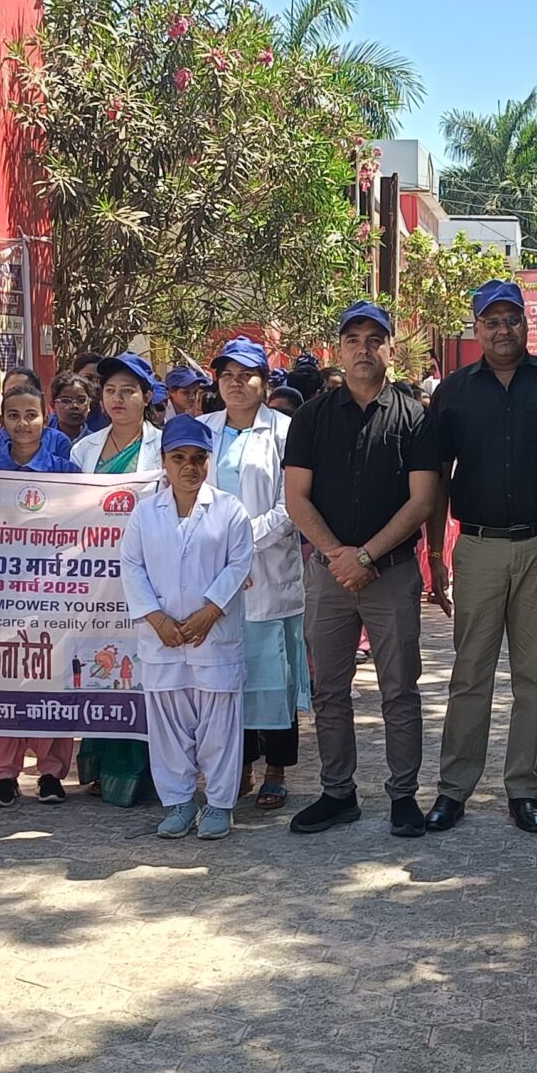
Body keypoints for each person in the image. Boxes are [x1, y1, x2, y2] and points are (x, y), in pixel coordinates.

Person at [418, 280, 537, 835]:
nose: (503, 330)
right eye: (492, 321)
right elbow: (437, 479)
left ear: (527, 323)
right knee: (469, 674)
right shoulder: (454, 393)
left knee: (532, 677)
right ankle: (454, 788)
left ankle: (523, 789)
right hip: (477, 548)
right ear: (477, 328)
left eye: (512, 319)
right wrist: (436, 552)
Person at [281, 301, 440, 837]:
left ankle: (403, 795)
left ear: (391, 349)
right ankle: (337, 792)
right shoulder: (311, 417)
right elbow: (297, 499)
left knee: (400, 689)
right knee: (329, 688)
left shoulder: (415, 417)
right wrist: (338, 557)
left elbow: (422, 501)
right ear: (339, 350)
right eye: (353, 339)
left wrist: (366, 556)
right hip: (329, 574)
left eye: (375, 339)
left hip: (391, 574)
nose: (364, 349)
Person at [123, 414, 256, 841]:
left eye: (198, 458)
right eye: (178, 457)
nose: (189, 467)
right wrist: (156, 618)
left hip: (213, 636)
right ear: (164, 461)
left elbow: (240, 562)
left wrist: (210, 611)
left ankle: (219, 804)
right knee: (168, 727)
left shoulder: (230, 510)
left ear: (208, 461)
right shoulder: (145, 513)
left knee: (219, 727)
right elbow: (132, 566)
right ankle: (179, 802)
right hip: (162, 638)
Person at [209, 336, 307, 811]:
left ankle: (276, 769)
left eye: (246, 375)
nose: (235, 384)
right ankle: (239, 764)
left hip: (268, 570)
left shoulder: (286, 431)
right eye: (227, 376)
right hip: (213, 574)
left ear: (264, 383)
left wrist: (240, 541)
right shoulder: (203, 431)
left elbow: (292, 505)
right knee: (229, 676)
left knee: (274, 674)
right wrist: (218, 547)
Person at [0, 382, 80, 806]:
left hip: (54, 593)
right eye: (14, 415)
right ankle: (3, 775)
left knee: (52, 676)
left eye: (31, 415)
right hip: (2, 594)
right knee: (2, 678)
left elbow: (88, 530)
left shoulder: (68, 473)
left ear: (45, 419)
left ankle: (52, 772)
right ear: (2, 420)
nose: (23, 424)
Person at [70, 353, 164, 805]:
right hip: (97, 580)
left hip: (150, 574)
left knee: (143, 670)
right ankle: (103, 767)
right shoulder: (83, 450)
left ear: (147, 397)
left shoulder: (164, 449)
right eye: (110, 391)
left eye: (128, 391)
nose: (118, 399)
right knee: (101, 666)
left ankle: (149, 771)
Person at [52, 365, 97, 443]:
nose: (75, 406)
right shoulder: (43, 442)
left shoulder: (98, 442)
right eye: (66, 401)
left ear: (89, 403)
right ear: (53, 406)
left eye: (82, 400)